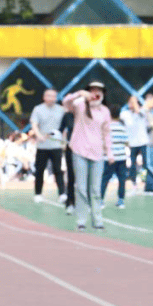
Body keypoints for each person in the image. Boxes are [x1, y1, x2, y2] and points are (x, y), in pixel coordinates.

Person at [62, 81, 113, 230]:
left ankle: (97, 220)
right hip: (79, 150)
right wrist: (79, 94)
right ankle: (81, 220)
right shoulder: (80, 105)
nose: (96, 93)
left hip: (97, 153)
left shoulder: (104, 111)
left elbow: (107, 133)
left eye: (99, 90)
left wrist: (109, 152)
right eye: (92, 90)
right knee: (81, 188)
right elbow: (65, 102)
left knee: (96, 189)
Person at [29, 90, 66, 204]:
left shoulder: (61, 109)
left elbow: (64, 127)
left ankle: (62, 194)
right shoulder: (38, 109)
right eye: (49, 96)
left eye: (54, 96)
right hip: (42, 146)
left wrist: (63, 141)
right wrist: (39, 136)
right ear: (44, 97)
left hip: (56, 145)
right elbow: (34, 124)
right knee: (40, 170)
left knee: (58, 171)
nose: (51, 98)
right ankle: (38, 193)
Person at [100, 104, 128, 209]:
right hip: (121, 157)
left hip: (108, 158)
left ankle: (101, 201)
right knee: (122, 179)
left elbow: (102, 142)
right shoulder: (122, 127)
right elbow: (126, 142)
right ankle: (121, 201)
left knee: (104, 179)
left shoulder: (106, 127)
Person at [119, 95, 148, 188]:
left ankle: (146, 181)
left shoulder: (142, 111)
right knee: (132, 163)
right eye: (130, 102)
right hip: (132, 143)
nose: (131, 104)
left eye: (133, 102)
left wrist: (135, 103)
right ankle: (133, 182)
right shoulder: (124, 114)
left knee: (146, 163)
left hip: (143, 142)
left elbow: (140, 112)